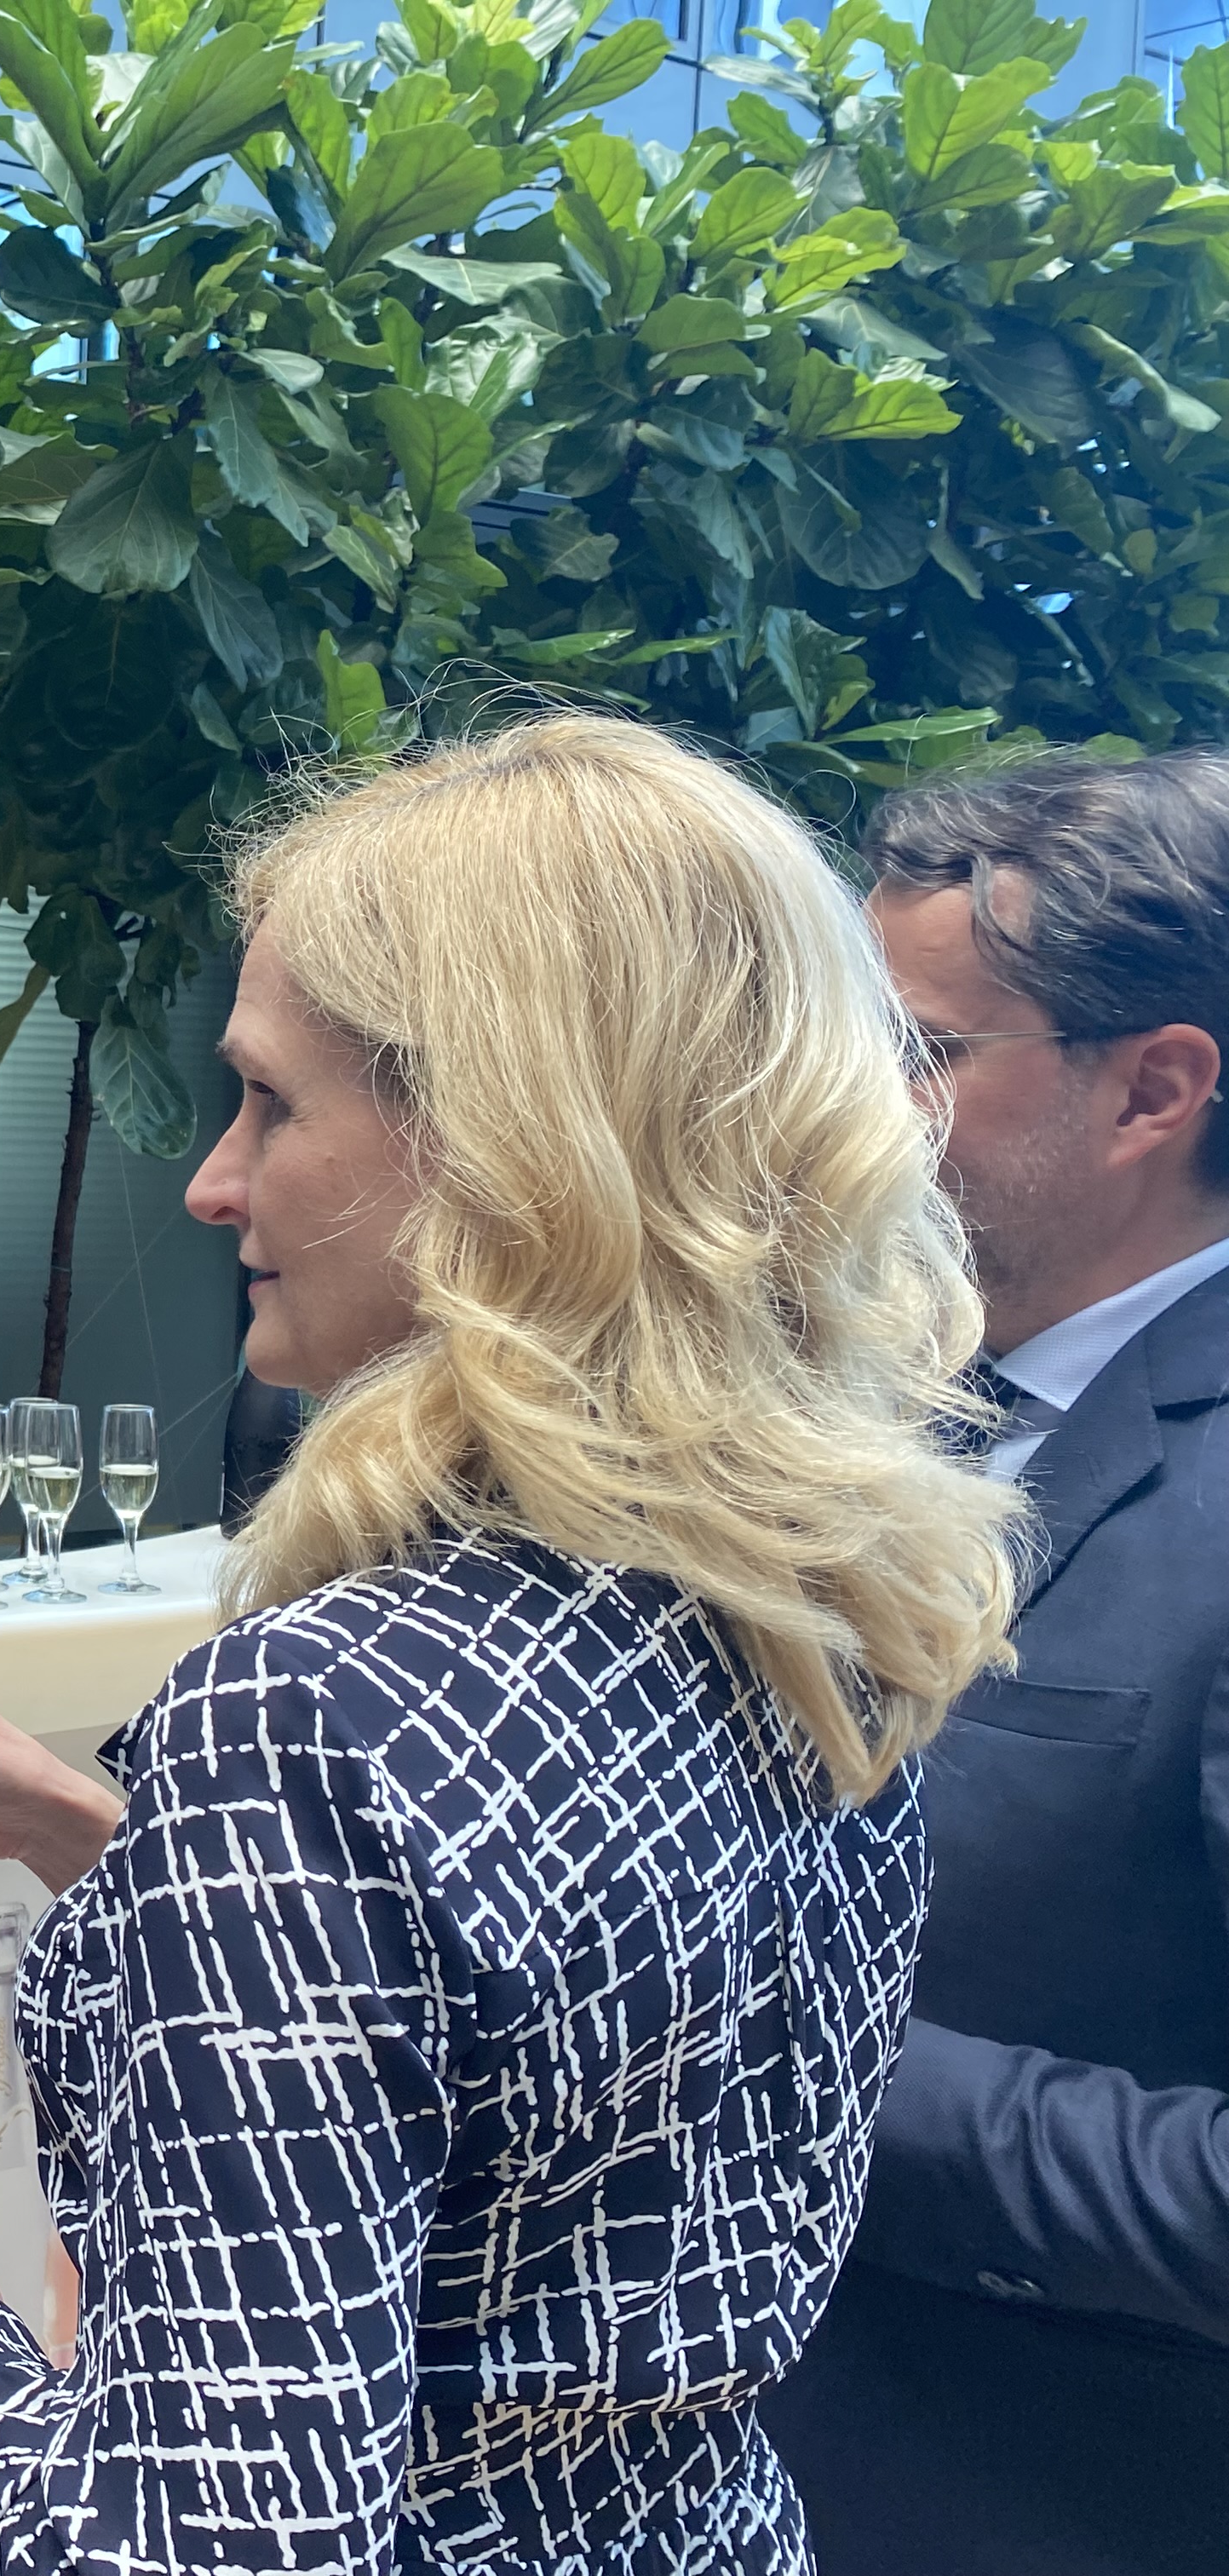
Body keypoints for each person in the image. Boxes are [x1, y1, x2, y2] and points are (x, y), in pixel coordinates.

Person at [0, 716, 1019, 2573]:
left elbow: (210, 2550)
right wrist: (88, 1829)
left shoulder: (312, 1716)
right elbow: (548, 2070)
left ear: (506, 1155)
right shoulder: (813, 1602)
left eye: (272, 1104)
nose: (211, 1183)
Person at [761, 755, 1229, 2575]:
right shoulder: (866, 1403)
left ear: (1156, 1090)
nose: (846, 1107)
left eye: (923, 1053)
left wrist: (780, 2070)